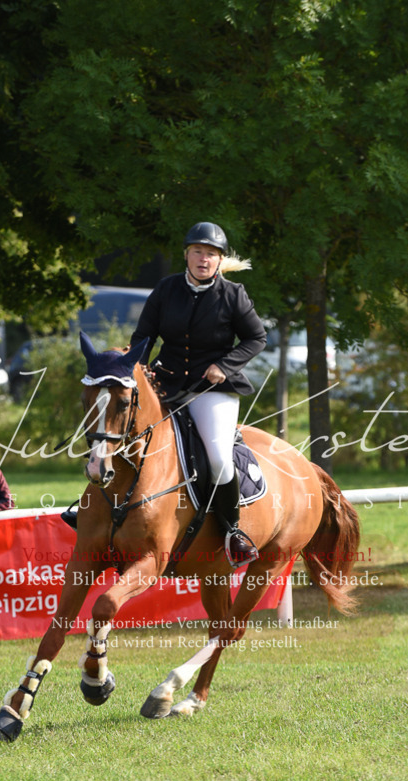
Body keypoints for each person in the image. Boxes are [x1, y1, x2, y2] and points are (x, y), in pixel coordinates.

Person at [130, 221, 267, 566]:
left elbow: (256, 338)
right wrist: (135, 374)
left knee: (219, 458)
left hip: (212, 389)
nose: (203, 259)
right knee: (121, 436)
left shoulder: (233, 295)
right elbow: (144, 336)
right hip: (166, 383)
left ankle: (233, 532)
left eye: (210, 254)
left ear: (220, 260)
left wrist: (226, 364)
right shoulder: (166, 290)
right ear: (186, 255)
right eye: (197, 252)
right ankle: (98, 515)